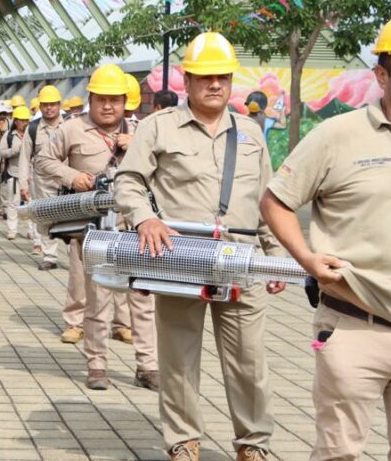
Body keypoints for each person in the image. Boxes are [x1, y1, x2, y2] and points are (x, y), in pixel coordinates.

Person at [114, 32, 285, 461]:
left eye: (222, 77)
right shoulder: (158, 127)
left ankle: (253, 444)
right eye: (205, 77)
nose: (215, 84)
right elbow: (129, 181)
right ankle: (183, 440)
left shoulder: (250, 133)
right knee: (179, 359)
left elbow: (265, 199)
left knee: (249, 362)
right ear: (187, 80)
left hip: (241, 262)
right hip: (181, 260)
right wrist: (145, 218)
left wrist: (276, 255)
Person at [260, 16, 391, 461]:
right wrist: (306, 258)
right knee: (339, 452)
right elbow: (276, 201)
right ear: (382, 75)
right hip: (355, 323)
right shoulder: (338, 135)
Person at [35, 64, 157, 392]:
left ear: (125, 101)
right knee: (98, 298)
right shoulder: (72, 129)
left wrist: (138, 146)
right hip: (94, 228)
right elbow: (43, 160)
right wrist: (72, 176)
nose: (107, 106)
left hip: (136, 228)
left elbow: (163, 168)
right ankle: (97, 364)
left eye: (114, 100)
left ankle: (148, 366)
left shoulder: (142, 131)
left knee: (143, 299)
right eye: (101, 99)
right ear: (90, 99)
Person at [31, 86, 66, 274]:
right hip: (42, 182)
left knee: (72, 218)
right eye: (45, 104)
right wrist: (24, 184)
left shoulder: (70, 125)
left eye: (52, 104)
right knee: (45, 219)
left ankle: (76, 257)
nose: (49, 108)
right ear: (40, 106)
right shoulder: (33, 128)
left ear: (59, 105)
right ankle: (50, 257)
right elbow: (25, 157)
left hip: (67, 181)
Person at [1, 105, 31, 241]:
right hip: (14, 173)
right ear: (16, 121)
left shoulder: (32, 134)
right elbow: (1, 152)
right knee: (13, 203)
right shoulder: (9, 135)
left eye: (26, 120)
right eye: (22, 120)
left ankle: (32, 231)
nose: (24, 123)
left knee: (31, 204)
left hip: (29, 175)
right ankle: (12, 230)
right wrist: (14, 151)